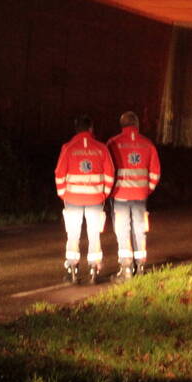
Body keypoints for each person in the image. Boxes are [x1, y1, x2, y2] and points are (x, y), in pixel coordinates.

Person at [54, 115, 114, 284]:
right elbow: (110, 173)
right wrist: (104, 193)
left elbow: (59, 173)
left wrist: (62, 193)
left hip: (72, 198)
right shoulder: (101, 148)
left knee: (72, 234)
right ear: (91, 129)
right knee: (94, 233)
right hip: (95, 198)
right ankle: (94, 269)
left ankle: (72, 270)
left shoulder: (68, 147)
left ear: (76, 128)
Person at [106, 111, 161, 282]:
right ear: (137, 125)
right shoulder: (148, 144)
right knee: (140, 228)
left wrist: (109, 190)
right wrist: (147, 189)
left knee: (122, 230)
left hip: (120, 195)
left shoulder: (113, 143)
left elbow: (108, 170)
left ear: (122, 126)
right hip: (140, 195)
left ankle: (126, 268)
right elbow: (155, 173)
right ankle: (141, 265)